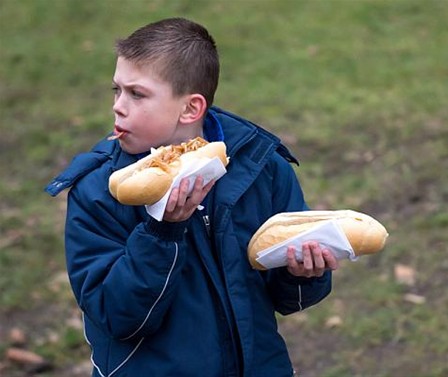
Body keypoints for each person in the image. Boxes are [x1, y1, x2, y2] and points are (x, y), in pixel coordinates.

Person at [45, 17, 339, 377]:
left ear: (190, 108)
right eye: (116, 90)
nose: (118, 107)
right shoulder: (97, 191)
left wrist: (304, 273)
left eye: (137, 94)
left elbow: (287, 300)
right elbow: (116, 316)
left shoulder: (263, 167)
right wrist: (161, 234)